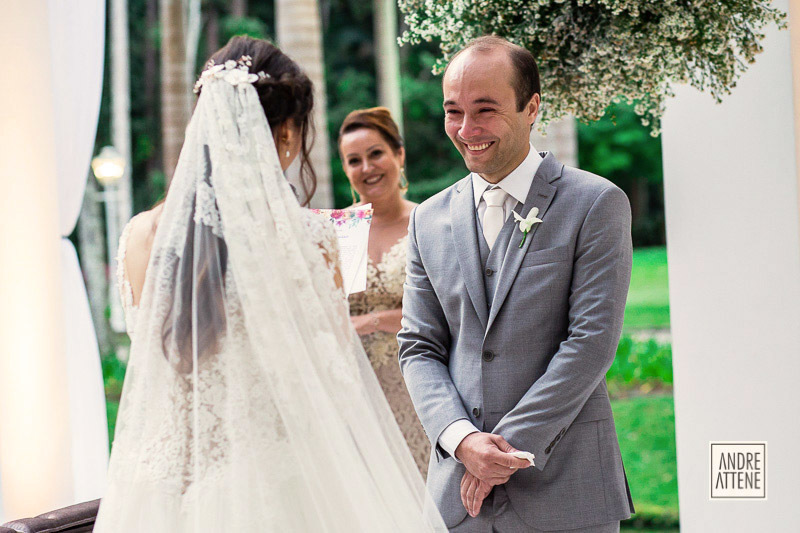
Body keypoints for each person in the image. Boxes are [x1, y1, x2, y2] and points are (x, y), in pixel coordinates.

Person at [96, 35, 445, 532]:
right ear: (285, 133)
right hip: (273, 487)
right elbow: (333, 381)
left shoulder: (137, 236)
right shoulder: (310, 239)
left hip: (156, 490)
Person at [398, 35, 636, 532]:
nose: (466, 129)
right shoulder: (427, 220)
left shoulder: (596, 203)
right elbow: (419, 347)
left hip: (566, 493)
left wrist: (502, 454)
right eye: (453, 112)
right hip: (459, 499)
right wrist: (463, 441)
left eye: (485, 110)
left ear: (531, 108)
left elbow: (591, 342)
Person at [338, 107, 430, 476]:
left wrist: (372, 321)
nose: (367, 168)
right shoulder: (340, 231)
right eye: (354, 160)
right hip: (355, 399)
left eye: (376, 153)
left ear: (399, 155)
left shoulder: (427, 223)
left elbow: (448, 313)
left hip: (417, 390)